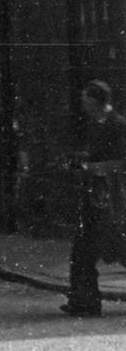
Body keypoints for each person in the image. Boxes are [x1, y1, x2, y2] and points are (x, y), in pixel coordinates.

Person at [61, 80, 126, 317]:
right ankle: (84, 302)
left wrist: (91, 166)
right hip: (97, 199)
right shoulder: (96, 124)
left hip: (114, 200)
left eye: (86, 100)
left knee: (115, 247)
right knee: (83, 251)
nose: (83, 105)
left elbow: (121, 162)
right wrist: (82, 159)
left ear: (97, 101)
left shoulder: (118, 125)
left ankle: (85, 301)